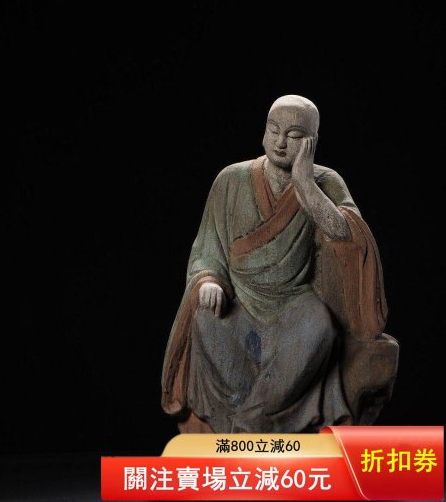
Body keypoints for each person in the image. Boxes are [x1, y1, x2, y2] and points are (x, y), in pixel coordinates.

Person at [161, 95, 398, 433]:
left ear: (312, 141)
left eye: (294, 135)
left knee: (321, 326)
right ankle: (243, 416)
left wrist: (306, 186)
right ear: (264, 131)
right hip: (239, 303)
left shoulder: (326, 181)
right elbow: (207, 249)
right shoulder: (230, 180)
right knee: (204, 319)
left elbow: (349, 237)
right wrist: (209, 280)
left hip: (294, 304)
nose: (281, 142)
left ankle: (251, 420)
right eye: (274, 130)